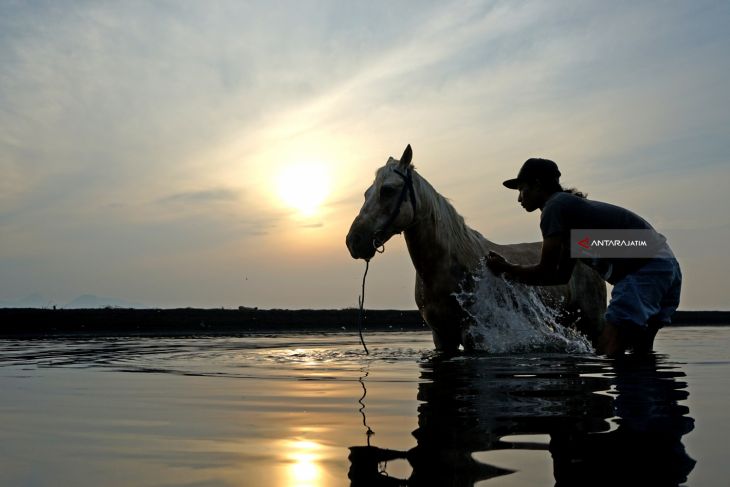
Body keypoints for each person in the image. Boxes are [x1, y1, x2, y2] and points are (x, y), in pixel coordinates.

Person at [486, 158, 682, 356]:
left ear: (537, 184)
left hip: (646, 268)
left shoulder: (554, 207)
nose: (519, 199)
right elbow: (559, 276)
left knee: (609, 349)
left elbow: (545, 269)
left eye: (521, 189)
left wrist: (506, 268)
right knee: (640, 353)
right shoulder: (575, 221)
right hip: (666, 265)